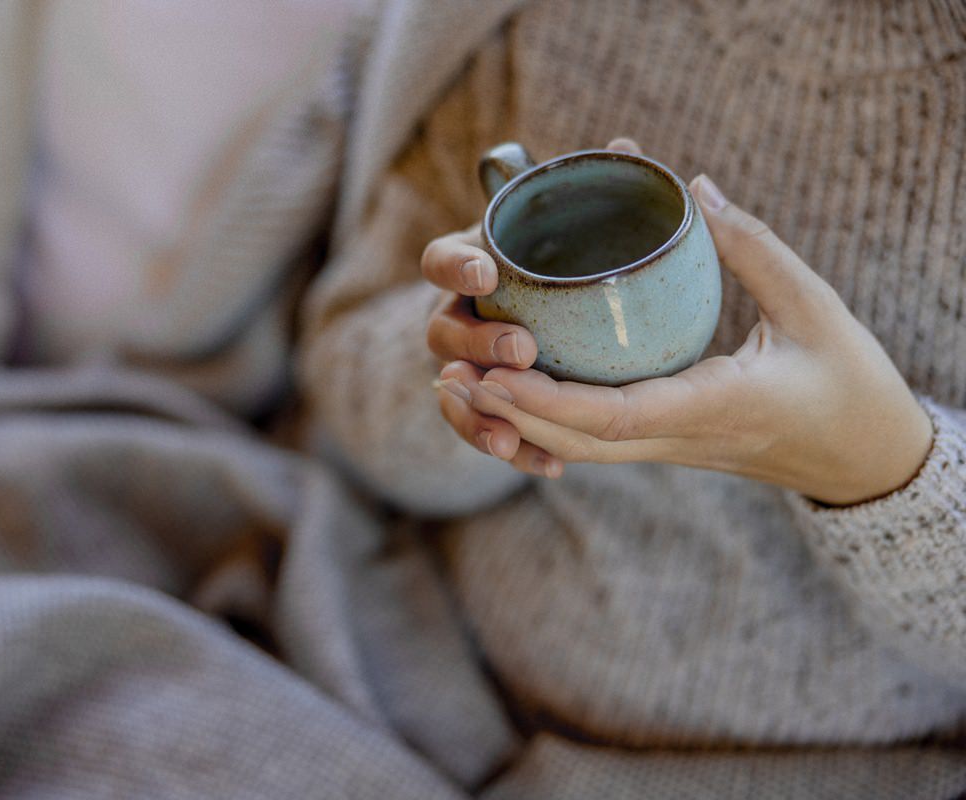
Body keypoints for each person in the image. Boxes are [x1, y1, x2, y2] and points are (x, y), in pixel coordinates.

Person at [300, 0, 966, 792]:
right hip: (433, 686)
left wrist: (883, 469)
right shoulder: (506, 24)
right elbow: (341, 372)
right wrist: (475, 358)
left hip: (853, 774)